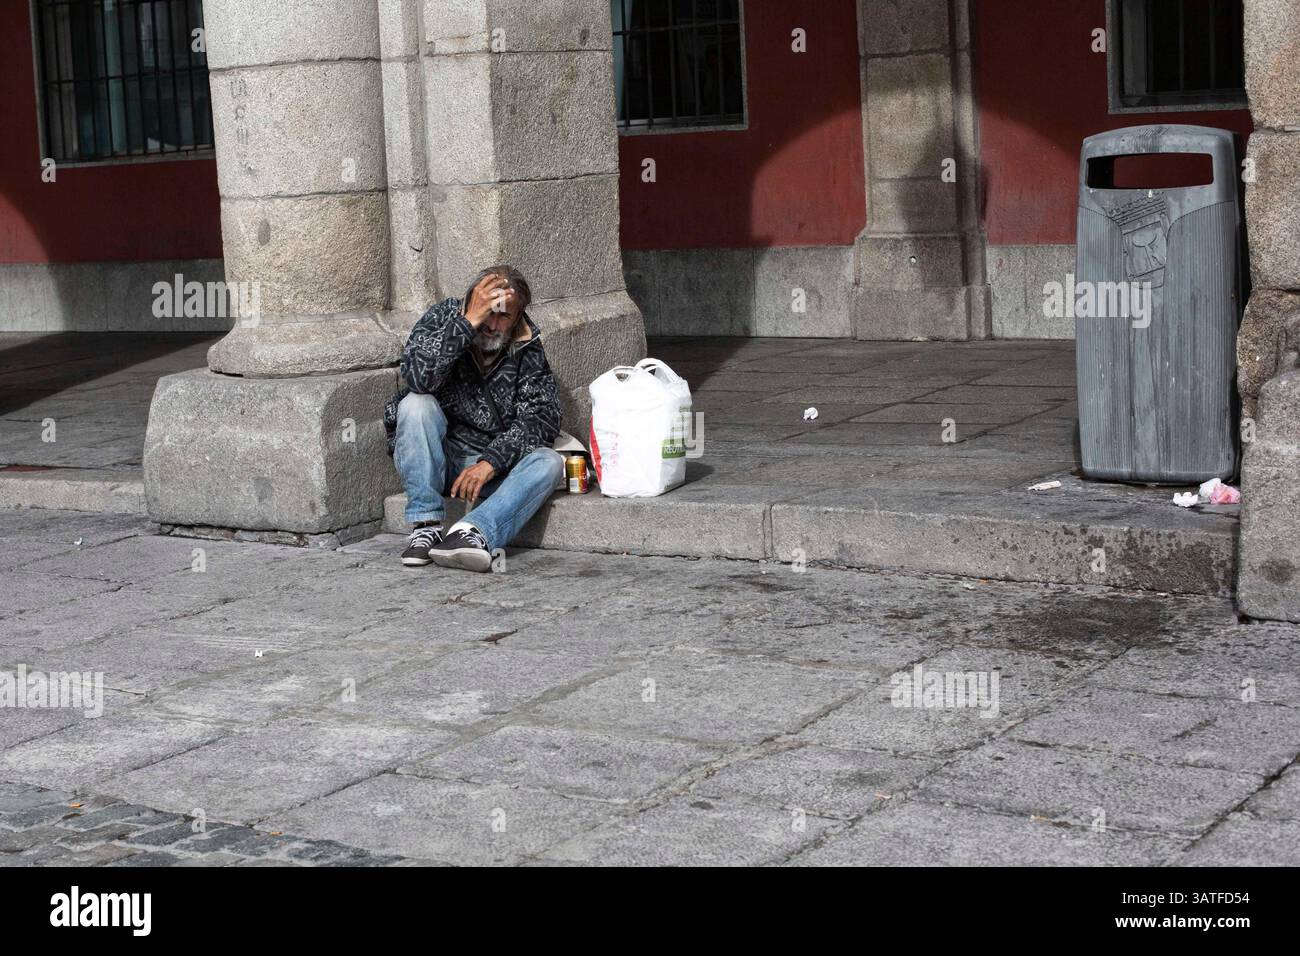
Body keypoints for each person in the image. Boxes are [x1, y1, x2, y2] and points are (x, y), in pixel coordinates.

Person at [383, 266, 564, 572]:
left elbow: (543, 416)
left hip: (485, 466)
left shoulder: (525, 344)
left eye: (502, 315)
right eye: (486, 311)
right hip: (436, 455)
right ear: (470, 301)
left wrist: (491, 462)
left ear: (517, 317)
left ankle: (472, 533)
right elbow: (418, 379)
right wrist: (467, 323)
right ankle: (425, 526)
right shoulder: (443, 319)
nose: (492, 325)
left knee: (549, 462)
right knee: (416, 405)